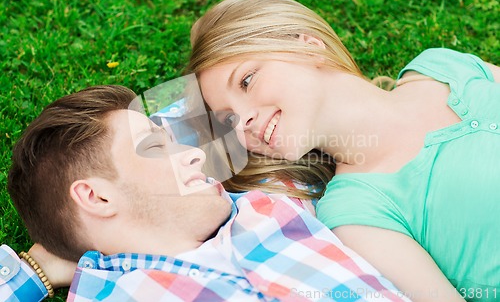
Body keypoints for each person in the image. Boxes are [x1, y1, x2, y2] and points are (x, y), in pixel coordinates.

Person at [186, 0, 500, 301]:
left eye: (246, 81)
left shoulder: (442, 68)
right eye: (229, 120)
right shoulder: (356, 212)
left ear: (308, 46)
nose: (243, 124)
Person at [1, 85, 409, 301]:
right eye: (158, 147)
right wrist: (36, 268)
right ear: (97, 198)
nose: (196, 155)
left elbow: (214, 103)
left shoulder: (271, 205)